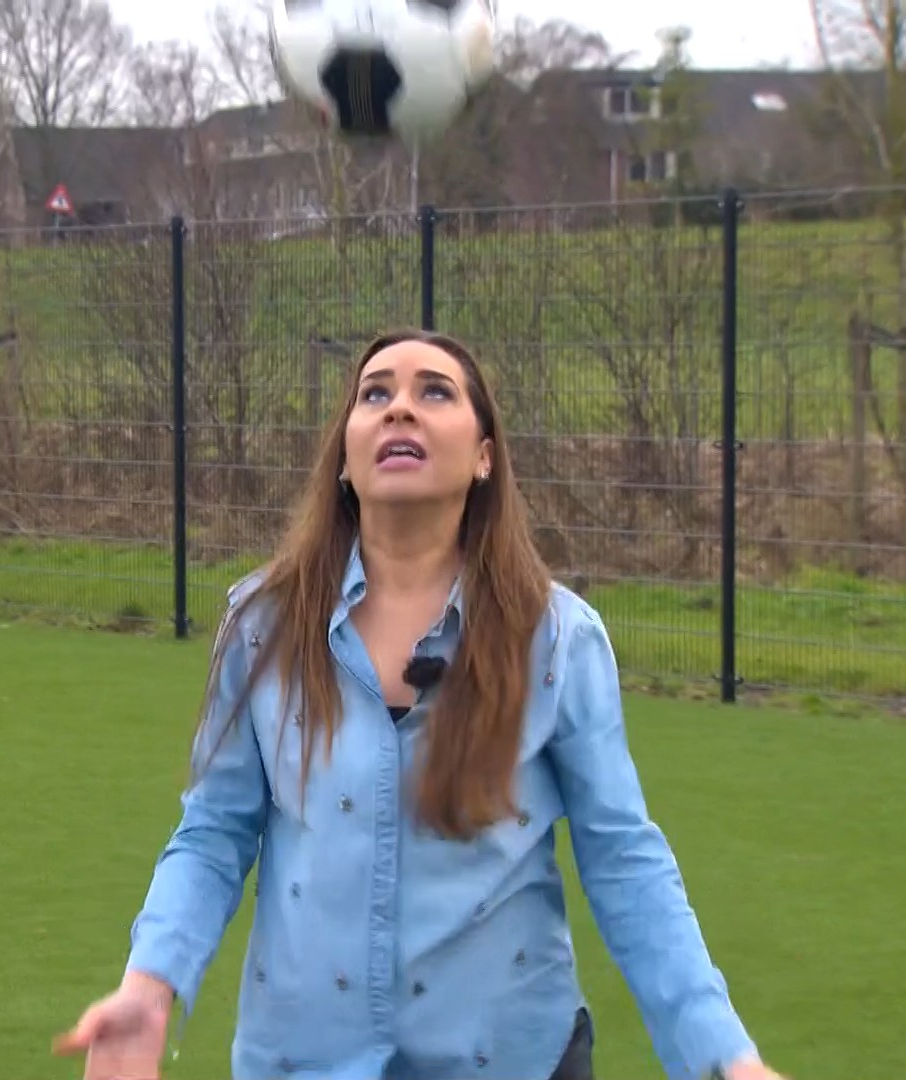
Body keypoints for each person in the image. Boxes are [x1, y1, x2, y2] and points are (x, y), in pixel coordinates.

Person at [54, 329, 785, 1080]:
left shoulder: (557, 638)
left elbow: (625, 860)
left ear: (484, 456)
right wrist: (149, 986)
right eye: (375, 394)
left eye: (435, 391)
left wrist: (725, 1058)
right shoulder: (262, 625)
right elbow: (212, 833)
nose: (399, 408)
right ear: (345, 458)